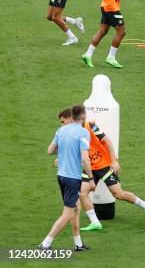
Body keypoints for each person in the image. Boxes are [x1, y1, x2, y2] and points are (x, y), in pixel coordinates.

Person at [46, 110, 145, 231]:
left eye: (63, 122)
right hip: (89, 168)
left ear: (71, 119)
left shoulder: (90, 126)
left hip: (105, 165)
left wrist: (114, 161)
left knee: (118, 194)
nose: (62, 125)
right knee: (82, 193)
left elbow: (107, 141)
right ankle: (95, 222)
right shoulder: (71, 133)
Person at [39, 105, 93, 251]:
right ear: (83, 116)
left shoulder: (61, 131)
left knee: (76, 208)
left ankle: (78, 244)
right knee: (68, 213)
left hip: (61, 176)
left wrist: (63, 150)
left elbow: (50, 150)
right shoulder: (83, 133)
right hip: (72, 178)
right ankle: (45, 244)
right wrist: (91, 178)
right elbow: (84, 159)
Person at [81, 0, 135, 69]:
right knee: (121, 32)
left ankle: (87, 54)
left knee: (102, 32)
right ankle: (111, 57)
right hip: (111, 8)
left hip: (107, 7)